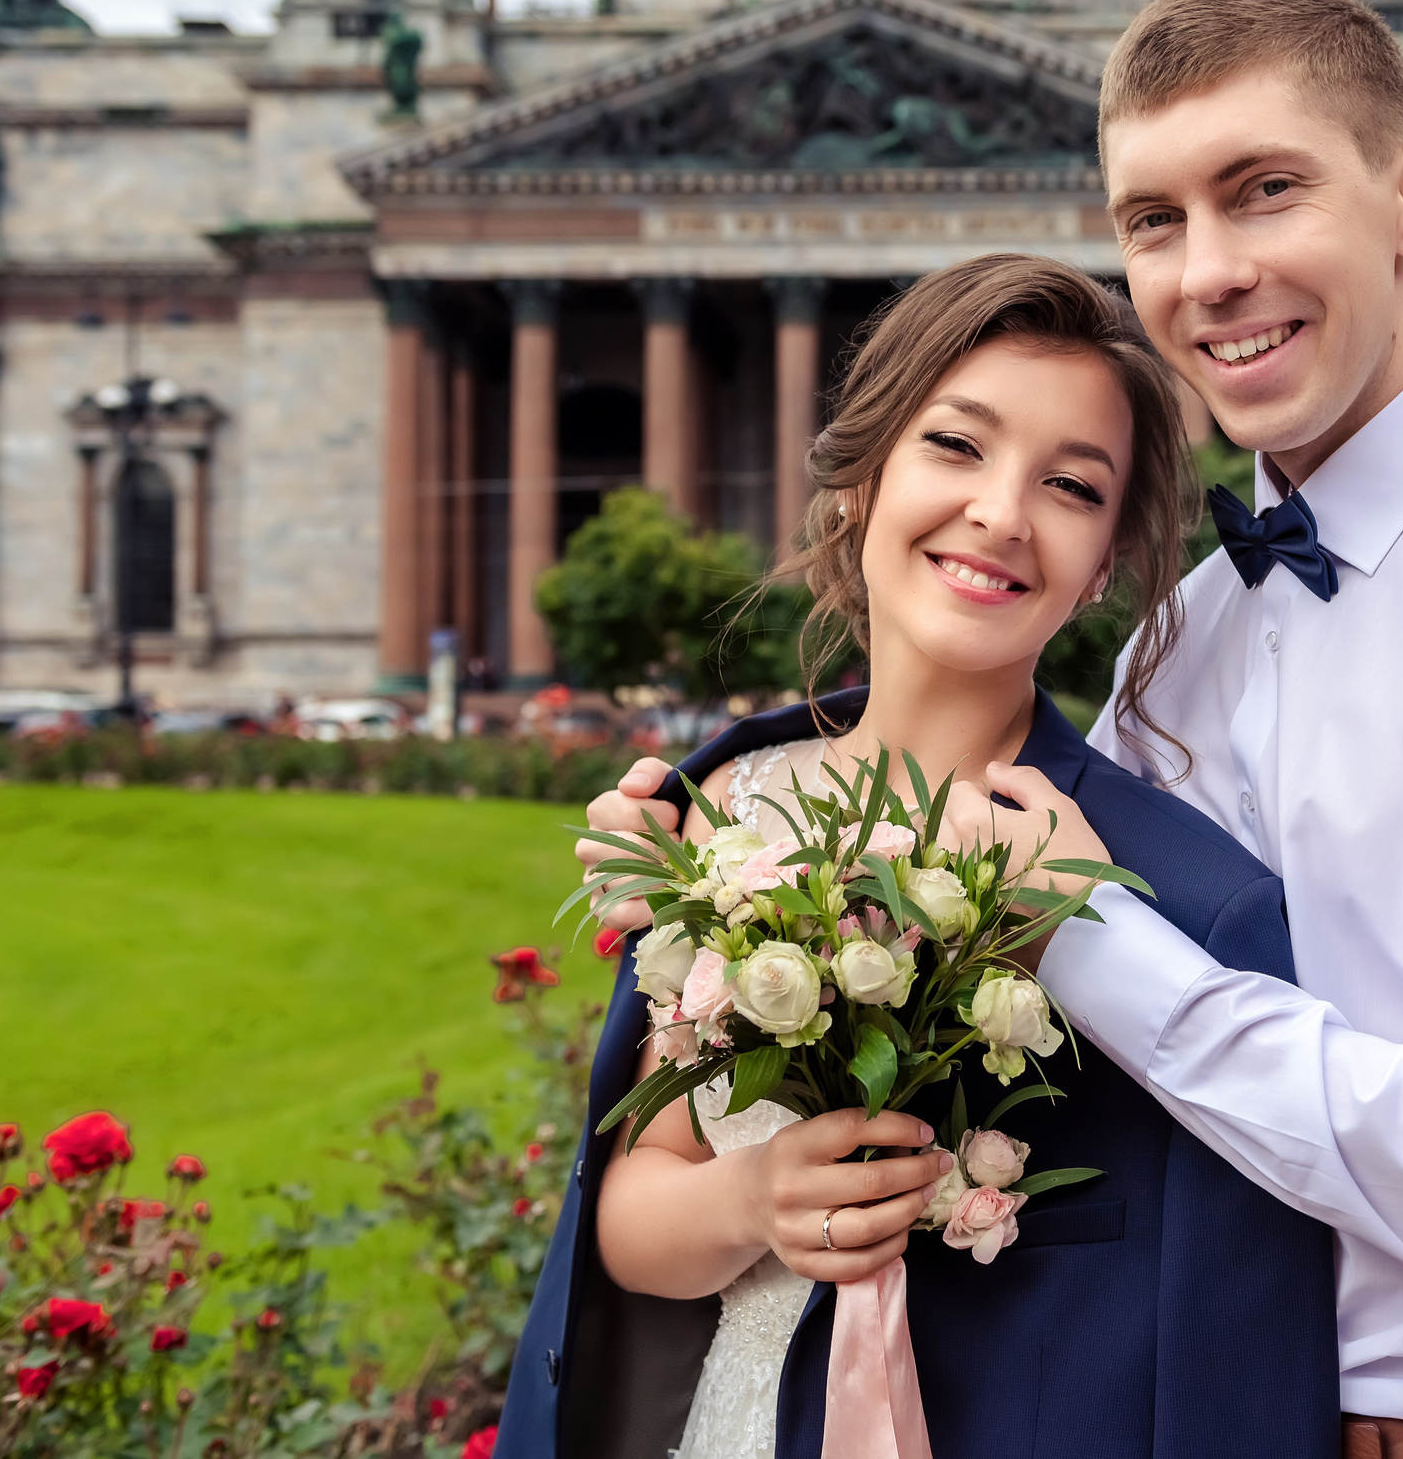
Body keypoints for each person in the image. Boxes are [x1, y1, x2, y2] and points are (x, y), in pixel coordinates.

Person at [583, 0, 1403, 1458]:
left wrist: (1070, 930)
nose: (1208, 271)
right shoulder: (1188, 633)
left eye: (1266, 190)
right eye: (1154, 220)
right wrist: (718, 868)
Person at [495, 255, 1337, 1459]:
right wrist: (753, 1197)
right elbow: (629, 1215)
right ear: (857, 480)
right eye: (955, 445)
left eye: (1069, 484)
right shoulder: (723, 812)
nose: (1000, 510)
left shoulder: (1183, 904)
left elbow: (1235, 1356)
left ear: (1101, 565)